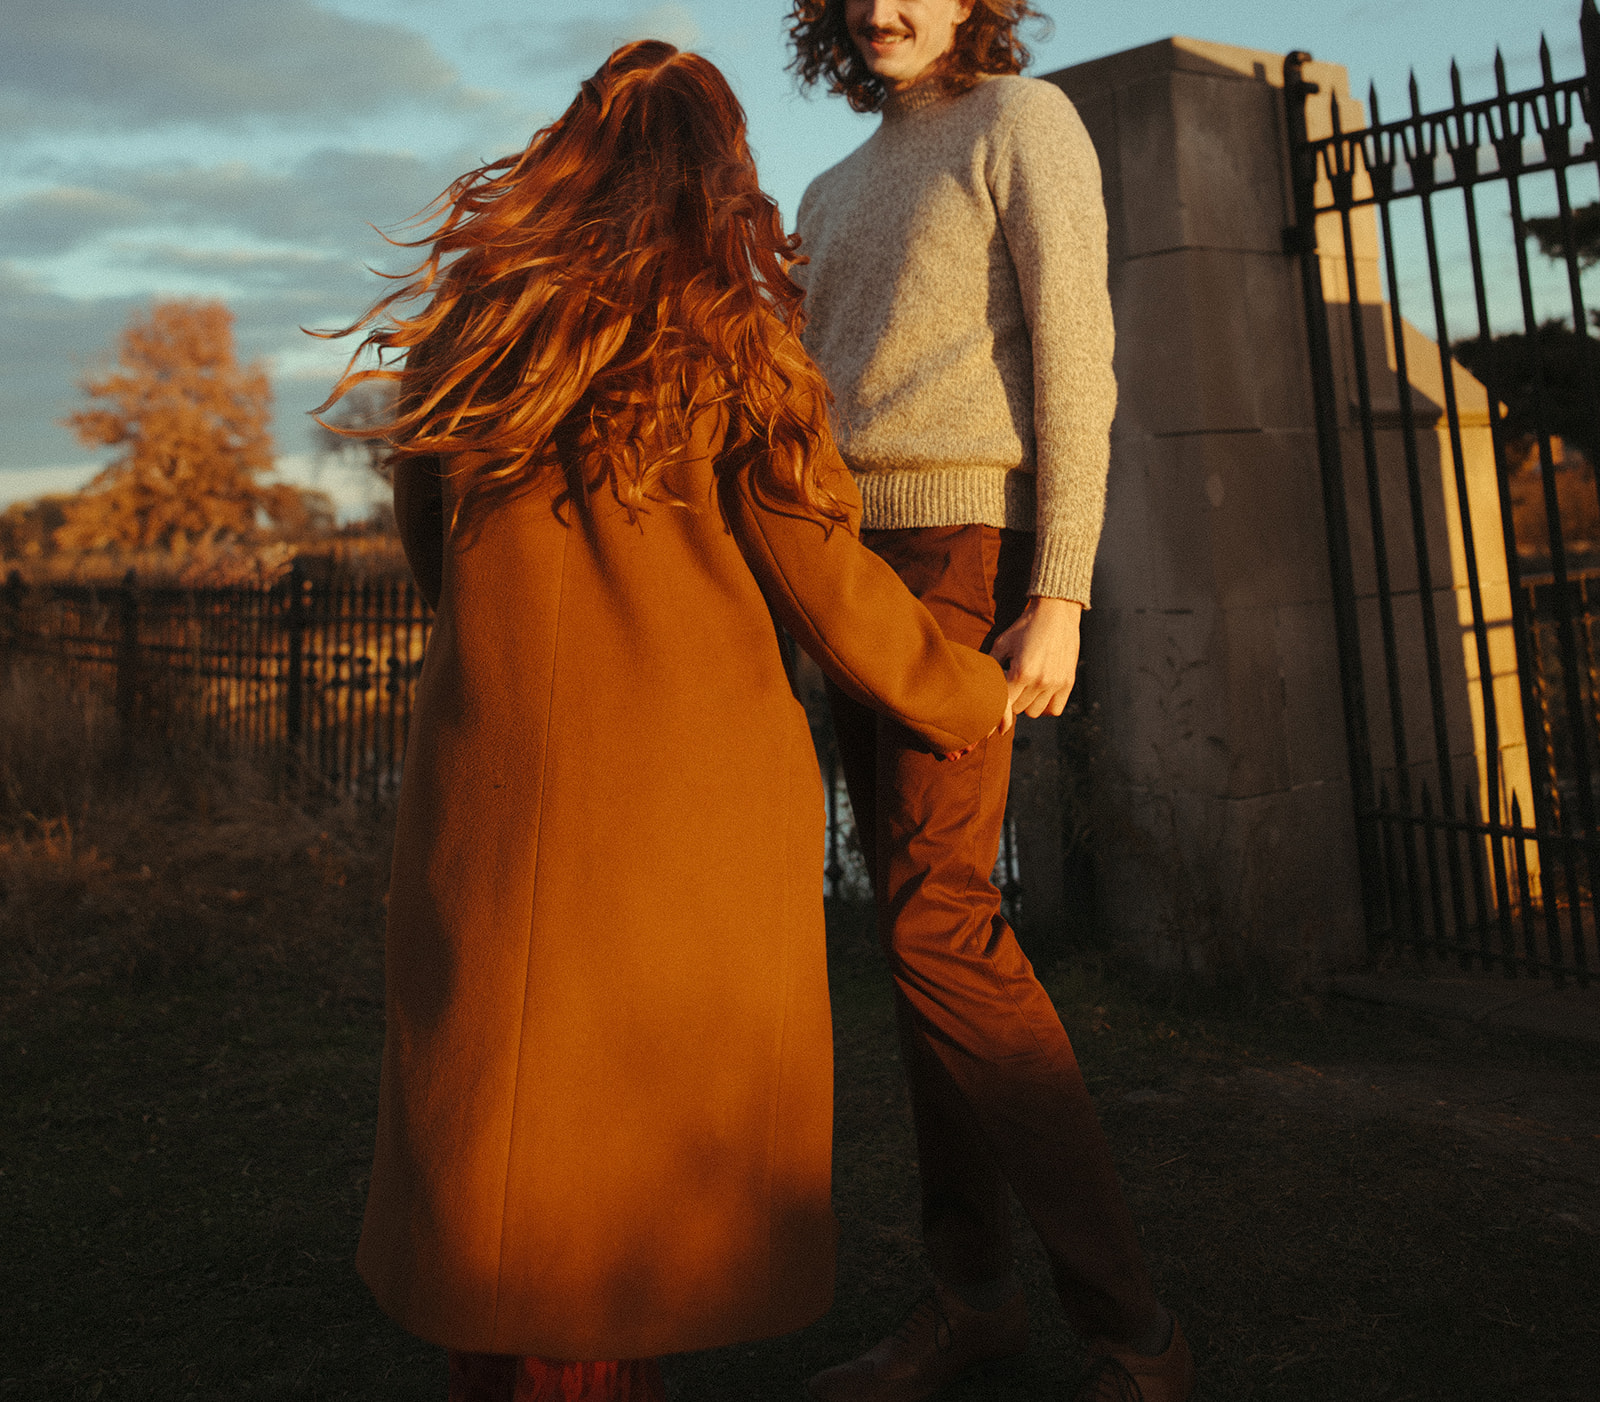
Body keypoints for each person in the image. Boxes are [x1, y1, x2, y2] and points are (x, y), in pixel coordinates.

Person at [315, 39, 1010, 1402]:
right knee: (622, 1153)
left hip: (493, 783)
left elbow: (427, 539)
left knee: (506, 1133)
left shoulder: (477, 323)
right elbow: (826, 581)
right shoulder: (731, 337)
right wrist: (969, 687)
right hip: (679, 813)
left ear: (573, 154)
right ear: (718, 174)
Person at [786, 3, 1195, 1400]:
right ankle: (969, 1298)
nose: (879, 5)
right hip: (849, 571)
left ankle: (1133, 1330)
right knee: (917, 932)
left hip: (971, 556)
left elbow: (1079, 355)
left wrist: (1062, 585)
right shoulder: (826, 189)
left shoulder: (1028, 126)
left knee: (942, 924)